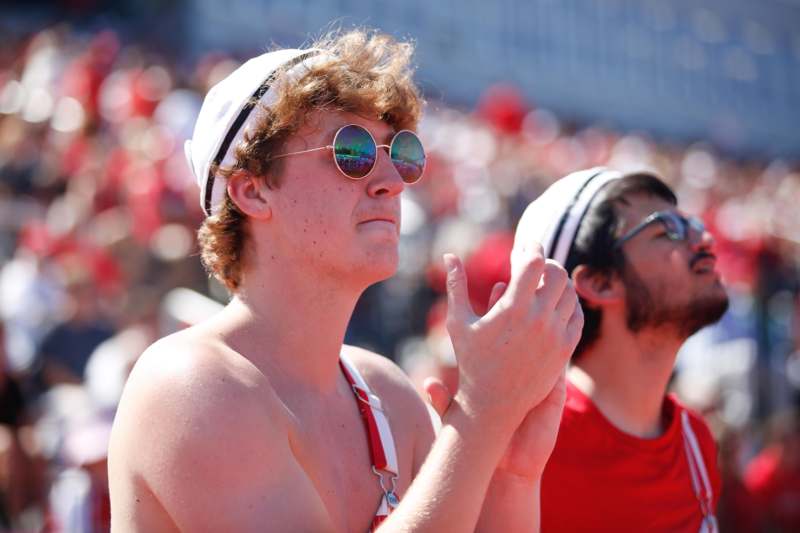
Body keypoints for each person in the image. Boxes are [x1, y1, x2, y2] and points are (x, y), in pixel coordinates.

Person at [108, 29, 583, 532]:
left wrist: (512, 472)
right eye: (351, 152)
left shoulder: (388, 395)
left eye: (401, 154)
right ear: (252, 191)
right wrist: (483, 414)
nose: (392, 182)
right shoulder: (189, 385)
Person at [514, 167, 730, 532]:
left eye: (692, 225)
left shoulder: (695, 440)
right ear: (599, 283)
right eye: (667, 231)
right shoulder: (529, 446)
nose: (704, 240)